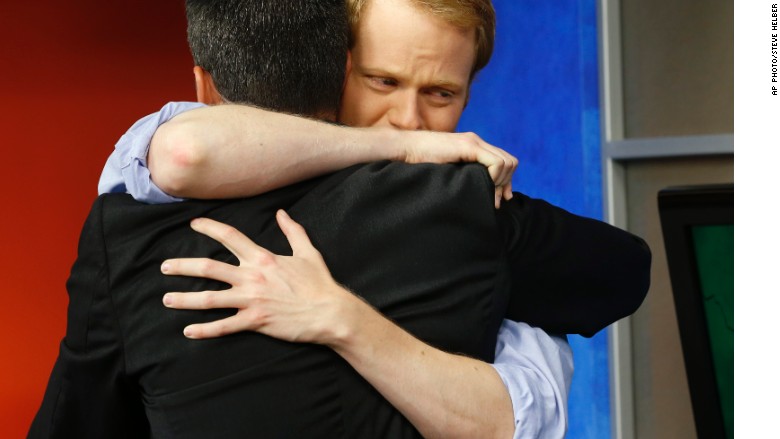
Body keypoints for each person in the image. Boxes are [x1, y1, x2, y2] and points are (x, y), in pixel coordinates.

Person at [30, 2, 649, 439]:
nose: (407, 121)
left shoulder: (132, 219)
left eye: (441, 94)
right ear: (339, 66)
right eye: (384, 80)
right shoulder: (457, 206)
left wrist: (347, 321)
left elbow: (621, 273)